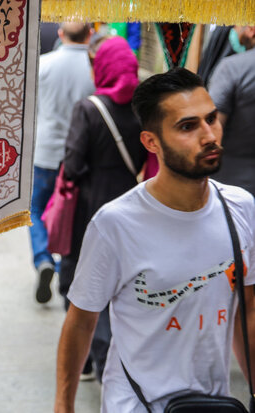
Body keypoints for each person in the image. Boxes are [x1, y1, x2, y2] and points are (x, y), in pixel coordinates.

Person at [54, 68, 255, 413]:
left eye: (211, 119)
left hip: (212, 405)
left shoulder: (241, 207)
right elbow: (81, 321)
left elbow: (246, 311)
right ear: (151, 142)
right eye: (188, 126)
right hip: (134, 405)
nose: (209, 135)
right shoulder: (115, 224)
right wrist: (63, 406)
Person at [59, 36, 147, 381]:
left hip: (89, 206)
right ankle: (112, 355)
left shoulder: (89, 108)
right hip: (128, 201)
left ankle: (91, 358)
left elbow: (73, 163)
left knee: (81, 279)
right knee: (118, 284)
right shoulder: (142, 109)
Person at [31, 22, 95, 304]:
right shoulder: (95, 67)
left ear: (60, 34)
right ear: (90, 33)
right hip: (80, 155)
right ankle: (70, 268)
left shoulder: (43, 64)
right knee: (74, 212)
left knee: (37, 210)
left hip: (45, 151)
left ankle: (44, 258)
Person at [208, 25, 255, 196]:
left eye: (237, 25)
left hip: (232, 186)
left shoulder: (232, 68)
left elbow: (211, 129)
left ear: (251, 29)